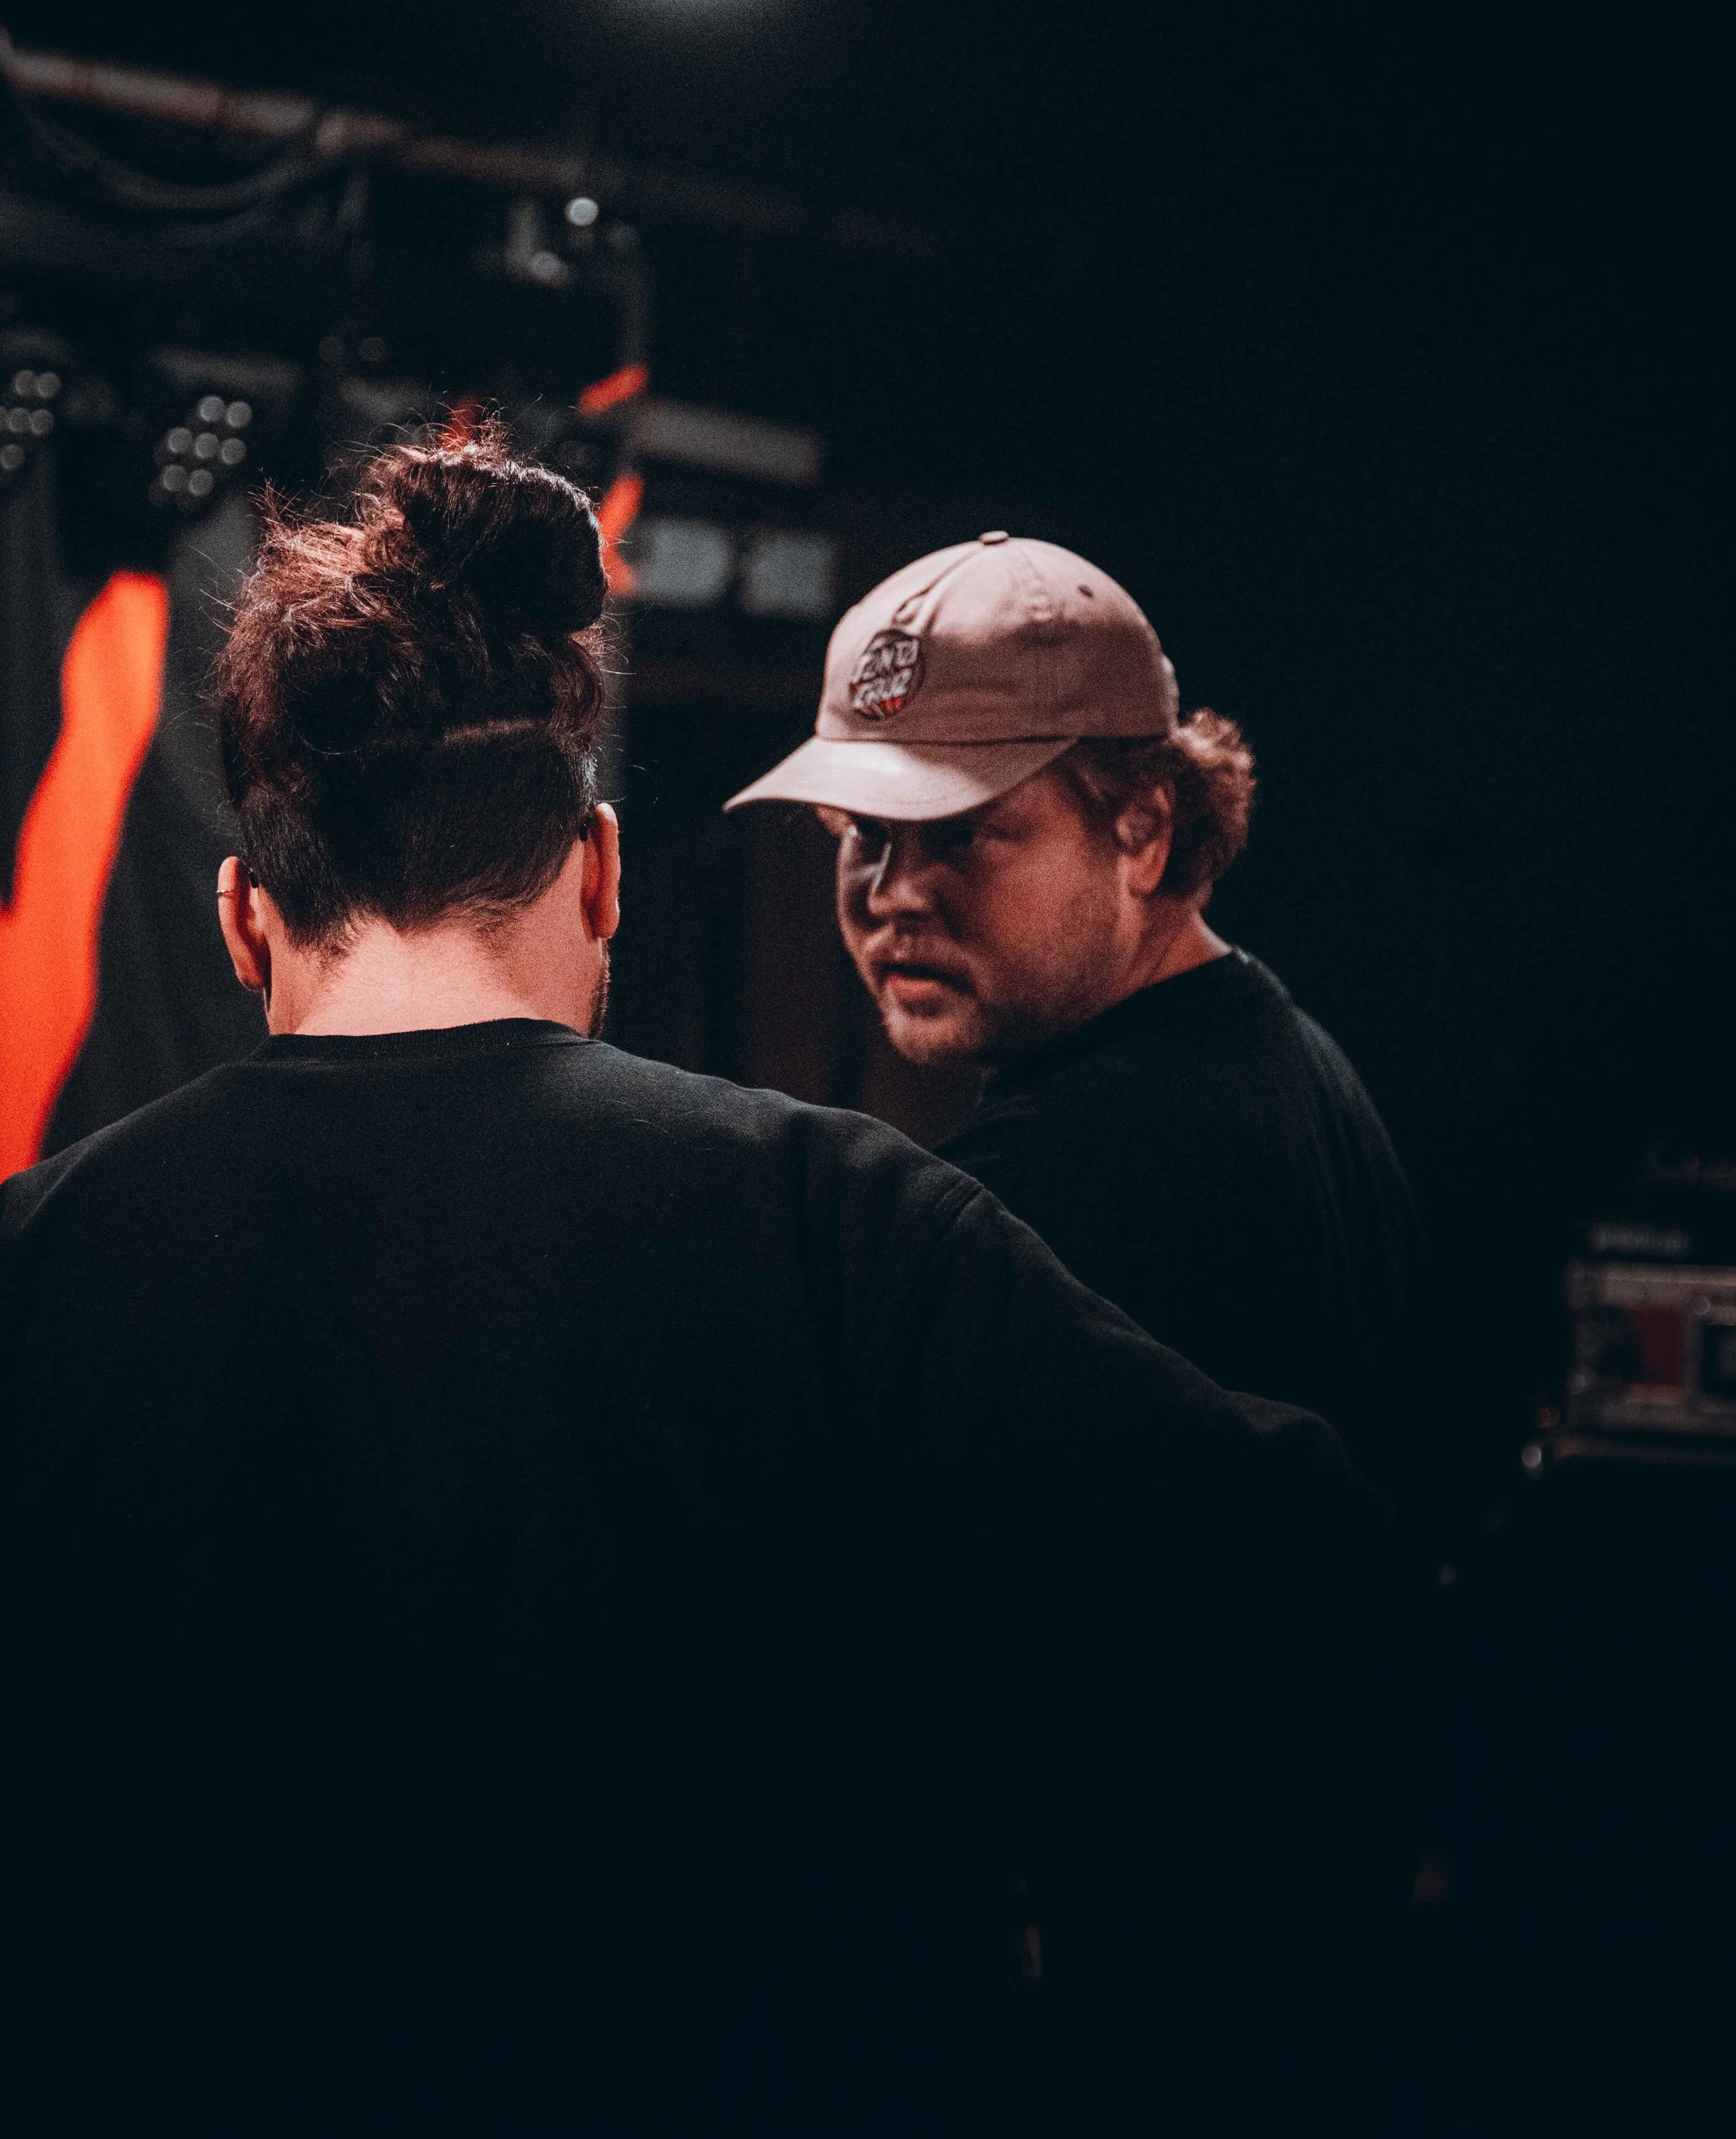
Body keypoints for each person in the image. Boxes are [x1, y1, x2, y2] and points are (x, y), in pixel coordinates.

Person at [1, 439, 1392, 2136]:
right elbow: (1290, 1543)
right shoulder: (835, 1216)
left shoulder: (38, 1259)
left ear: (237, 916)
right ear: (595, 872)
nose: (891, 895)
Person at [728, 531, 1415, 1488]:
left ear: (1142, 830)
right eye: (866, 836)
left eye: (962, 833)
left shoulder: (1060, 1173)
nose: (892, 892)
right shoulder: (1285, 1053)